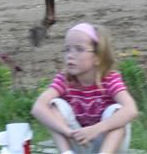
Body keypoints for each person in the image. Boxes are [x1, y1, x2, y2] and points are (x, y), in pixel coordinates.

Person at [31, 23, 139, 154]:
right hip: (78, 141)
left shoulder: (110, 79)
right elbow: (38, 108)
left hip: (108, 144)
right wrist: (67, 132)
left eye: (79, 49)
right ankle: (66, 152)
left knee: (117, 111)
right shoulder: (65, 79)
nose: (70, 55)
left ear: (97, 58)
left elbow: (131, 109)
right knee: (54, 105)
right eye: (67, 49)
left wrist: (96, 129)